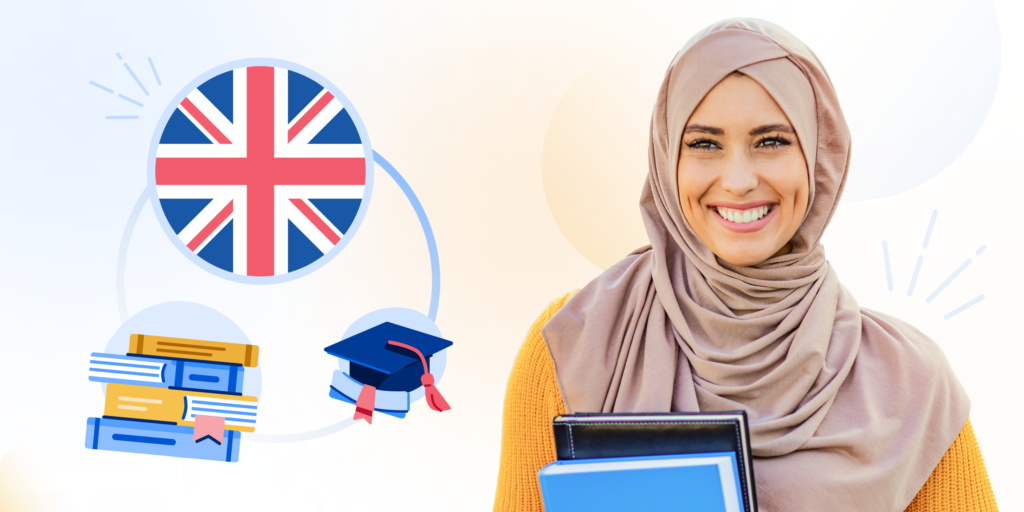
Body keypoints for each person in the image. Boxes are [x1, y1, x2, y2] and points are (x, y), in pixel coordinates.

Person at [493, 18, 998, 512]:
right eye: (704, 144)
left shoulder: (911, 385)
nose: (737, 180)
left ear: (819, 157)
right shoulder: (572, 347)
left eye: (771, 141)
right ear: (668, 157)